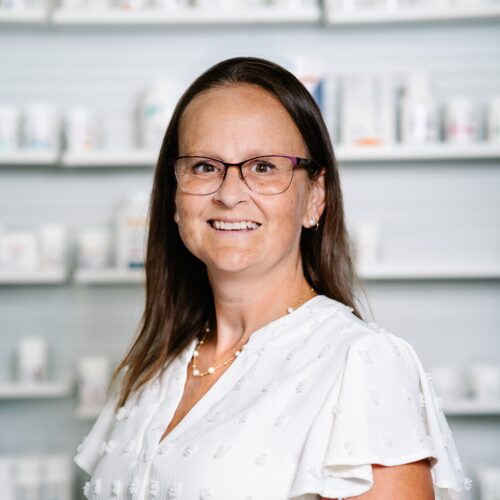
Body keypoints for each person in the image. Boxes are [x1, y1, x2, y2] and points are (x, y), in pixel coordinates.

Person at [73, 56, 471, 499]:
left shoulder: (361, 362)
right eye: (204, 166)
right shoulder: (152, 367)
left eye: (263, 167)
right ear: (174, 195)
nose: (229, 194)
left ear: (315, 197)